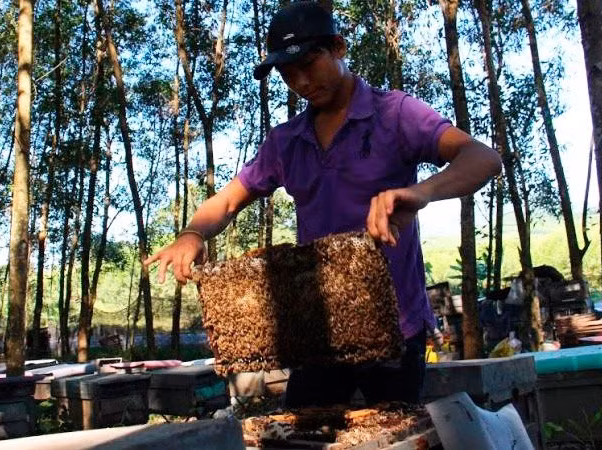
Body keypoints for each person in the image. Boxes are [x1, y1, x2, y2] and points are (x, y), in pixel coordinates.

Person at [145, 1, 501, 406]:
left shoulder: (395, 114)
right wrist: (192, 233)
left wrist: (421, 193)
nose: (301, 82)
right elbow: (227, 201)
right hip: (319, 333)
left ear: (338, 47)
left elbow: (483, 158)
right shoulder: (286, 142)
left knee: (398, 432)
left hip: (396, 329)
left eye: (309, 64)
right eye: (287, 74)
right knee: (301, 432)